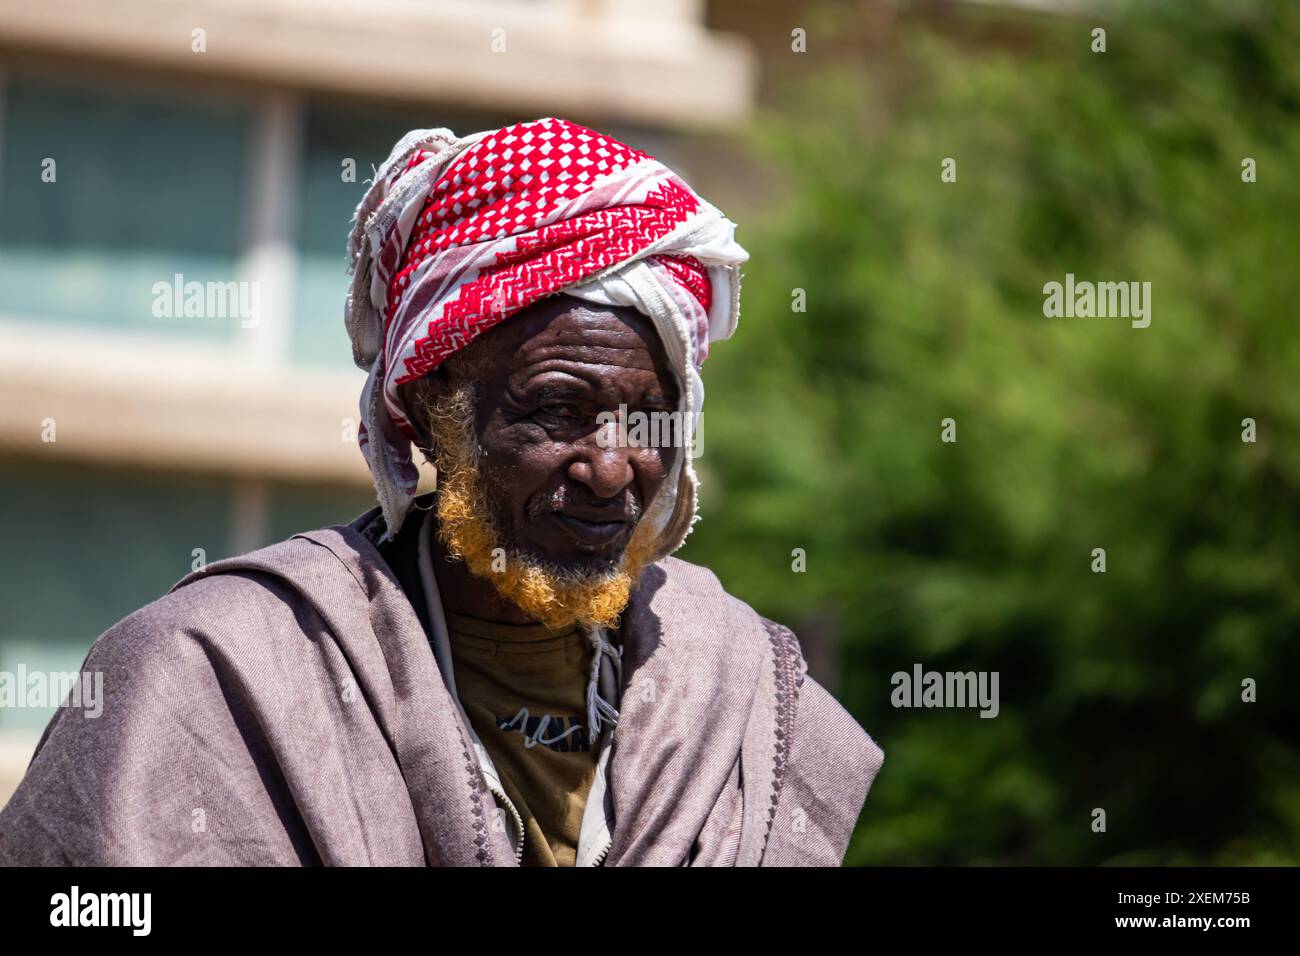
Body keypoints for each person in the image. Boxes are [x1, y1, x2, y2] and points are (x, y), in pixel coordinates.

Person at [0, 117, 882, 866]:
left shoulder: (737, 682)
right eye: (556, 411)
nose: (613, 469)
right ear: (428, 416)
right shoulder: (218, 673)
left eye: (650, 419)